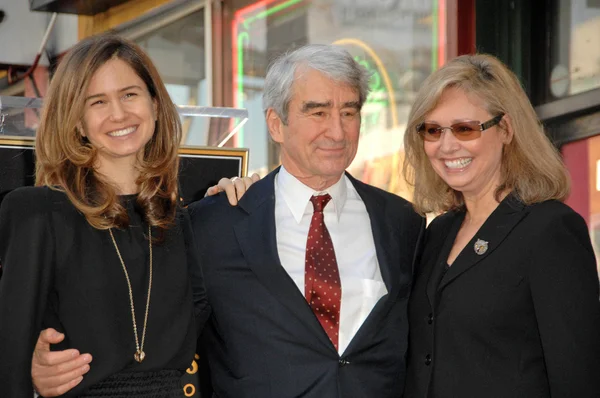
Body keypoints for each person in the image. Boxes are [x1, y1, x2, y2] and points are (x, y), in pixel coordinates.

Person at [30, 44, 426, 397]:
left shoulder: (401, 222)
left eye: (349, 111)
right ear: (275, 123)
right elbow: (144, 324)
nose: (336, 130)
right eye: (317, 111)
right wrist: (39, 370)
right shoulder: (213, 224)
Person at [0, 33, 210, 397]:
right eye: (97, 102)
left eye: (130, 94)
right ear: (76, 122)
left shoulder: (179, 219)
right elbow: (10, 360)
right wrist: (31, 376)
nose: (119, 114)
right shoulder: (36, 213)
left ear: (156, 105)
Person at [402, 54, 600, 397]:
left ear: (506, 129)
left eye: (465, 128)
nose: (447, 145)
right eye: (433, 130)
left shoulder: (550, 230)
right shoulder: (437, 233)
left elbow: (578, 377)